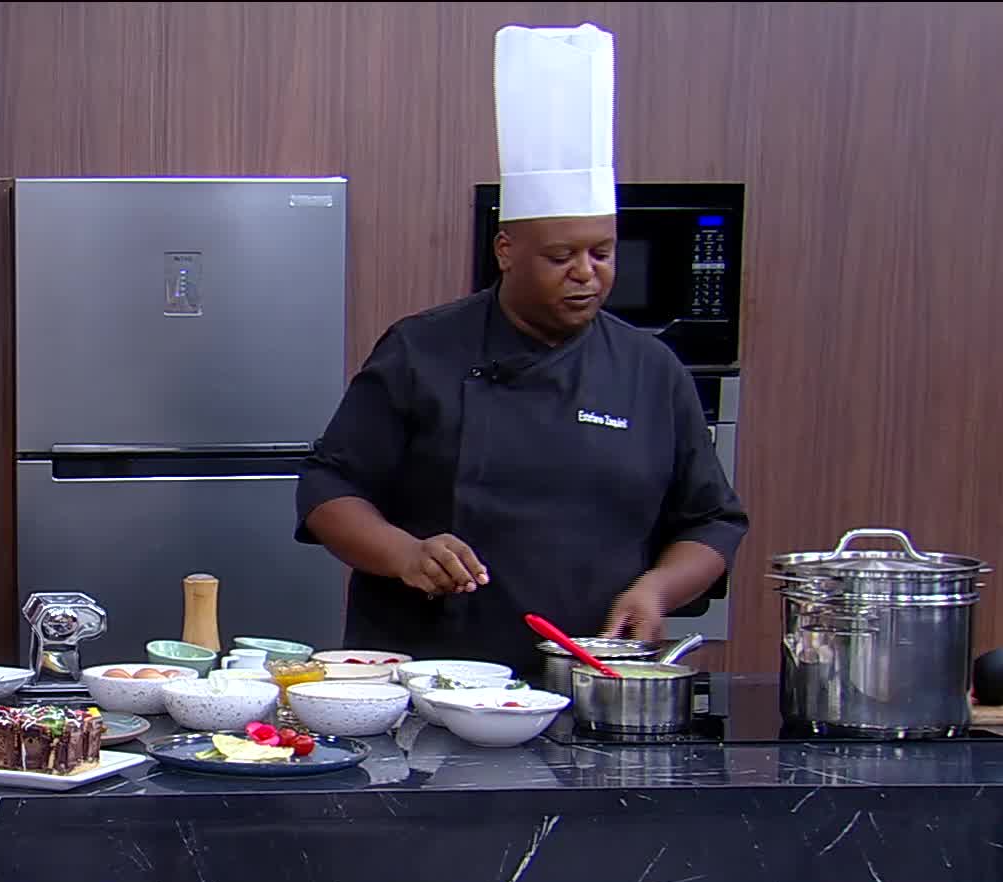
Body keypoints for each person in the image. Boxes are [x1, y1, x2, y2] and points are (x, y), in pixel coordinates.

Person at [295, 24, 747, 676]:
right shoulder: (423, 349)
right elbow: (327, 490)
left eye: (602, 252)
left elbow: (711, 523)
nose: (586, 274)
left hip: (588, 673)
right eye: (561, 256)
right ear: (506, 250)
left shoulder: (651, 371)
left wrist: (657, 590)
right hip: (427, 677)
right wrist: (403, 554)